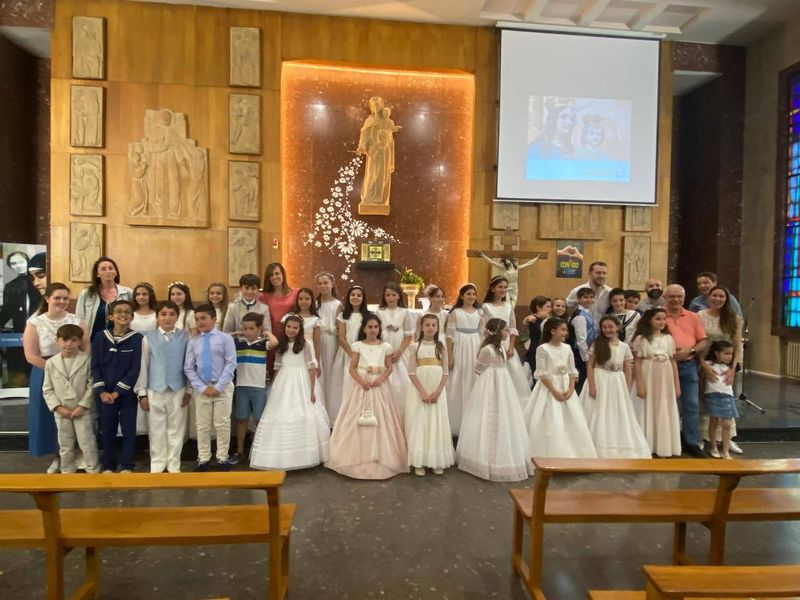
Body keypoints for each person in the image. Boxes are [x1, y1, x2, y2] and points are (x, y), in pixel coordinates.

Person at [327, 314, 408, 480]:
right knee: (356, 418)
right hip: (361, 385)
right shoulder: (357, 346)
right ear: (363, 329)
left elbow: (389, 368)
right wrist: (362, 381)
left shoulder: (386, 346)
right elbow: (352, 368)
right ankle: (356, 456)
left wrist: (380, 379)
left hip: (379, 386)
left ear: (379, 329)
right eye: (369, 327)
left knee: (382, 419)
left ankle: (380, 456)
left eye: (376, 327)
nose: (373, 330)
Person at [455, 318, 533, 482]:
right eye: (505, 330)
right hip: (489, 384)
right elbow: (478, 369)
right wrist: (491, 376)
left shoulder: (501, 349)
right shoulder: (488, 350)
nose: (507, 333)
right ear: (497, 332)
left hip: (504, 384)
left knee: (504, 414)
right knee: (487, 414)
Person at [249, 314, 330, 470]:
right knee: (279, 413)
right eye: (289, 327)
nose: (291, 330)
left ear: (300, 330)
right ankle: (279, 457)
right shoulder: (282, 345)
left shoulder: (306, 344)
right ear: (285, 328)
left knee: (303, 412)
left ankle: (304, 455)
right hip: (284, 382)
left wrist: (312, 391)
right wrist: (273, 387)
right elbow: (278, 366)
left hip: (302, 381)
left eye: (295, 327)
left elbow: (312, 368)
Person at [23, 283, 88, 471]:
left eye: (65, 298)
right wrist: (55, 369)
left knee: (75, 413)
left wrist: (76, 369)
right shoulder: (35, 322)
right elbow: (30, 354)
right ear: (47, 299)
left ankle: (77, 453)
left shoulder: (77, 321)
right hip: (44, 371)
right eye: (57, 298)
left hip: (74, 371)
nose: (61, 302)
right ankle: (56, 457)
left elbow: (86, 349)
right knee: (48, 416)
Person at [526, 318, 597, 459]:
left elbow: (572, 370)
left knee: (572, 418)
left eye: (566, 330)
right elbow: (542, 373)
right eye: (563, 329)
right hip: (549, 387)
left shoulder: (567, 348)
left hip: (566, 387)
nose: (566, 333)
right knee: (550, 417)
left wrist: (571, 389)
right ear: (552, 330)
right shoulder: (543, 348)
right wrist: (554, 391)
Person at [580, 315, 649, 458]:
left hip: (616, 382)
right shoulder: (597, 344)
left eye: (610, 327)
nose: (607, 330)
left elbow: (628, 368)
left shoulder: (624, 346)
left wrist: (627, 388)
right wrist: (592, 386)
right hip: (600, 379)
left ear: (618, 327)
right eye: (604, 327)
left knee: (615, 412)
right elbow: (590, 365)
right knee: (597, 410)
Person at [134, 301, 190, 473]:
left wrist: (189, 389)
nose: (168, 318)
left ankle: (174, 464)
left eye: (172, 314)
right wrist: (142, 393)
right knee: (156, 428)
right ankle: (157, 464)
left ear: (177, 316)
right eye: (163, 314)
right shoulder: (148, 338)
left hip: (178, 388)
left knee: (176, 427)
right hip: (155, 388)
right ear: (157, 317)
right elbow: (143, 365)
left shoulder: (185, 337)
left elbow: (189, 364)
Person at [91, 299, 143, 473]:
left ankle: (127, 465)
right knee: (107, 430)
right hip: (104, 395)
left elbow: (135, 368)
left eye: (127, 312)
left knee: (129, 430)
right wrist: (102, 391)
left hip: (126, 394)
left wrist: (118, 392)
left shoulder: (137, 339)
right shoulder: (100, 337)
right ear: (111, 316)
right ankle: (108, 465)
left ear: (132, 316)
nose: (123, 315)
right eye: (119, 312)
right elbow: (95, 366)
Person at [184, 304, 237, 471]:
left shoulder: (225, 338)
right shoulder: (193, 342)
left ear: (214, 319)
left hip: (222, 386)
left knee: (222, 424)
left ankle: (222, 457)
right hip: (203, 389)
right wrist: (201, 387)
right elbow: (189, 368)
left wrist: (219, 386)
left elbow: (231, 363)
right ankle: (204, 458)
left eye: (203, 318)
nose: (200, 322)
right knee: (203, 424)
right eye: (197, 319)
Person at [42, 324, 99, 473]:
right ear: (57, 341)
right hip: (62, 411)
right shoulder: (51, 363)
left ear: (80, 342)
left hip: (82, 410)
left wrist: (82, 406)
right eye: (65, 340)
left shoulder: (87, 360)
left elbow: (91, 385)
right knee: (65, 444)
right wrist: (58, 408)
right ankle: (67, 471)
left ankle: (93, 470)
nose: (69, 344)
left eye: (73, 340)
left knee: (87, 442)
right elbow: (47, 389)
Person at [697, 287, 744, 455]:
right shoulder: (700, 315)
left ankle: (727, 438)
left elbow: (737, 345)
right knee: (705, 398)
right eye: (714, 295)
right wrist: (702, 363)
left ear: (727, 298)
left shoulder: (734, 318)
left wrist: (732, 368)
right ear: (709, 297)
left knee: (726, 399)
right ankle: (702, 437)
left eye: (721, 296)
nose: (717, 299)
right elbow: (697, 340)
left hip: (726, 363)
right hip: (705, 361)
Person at [405, 314, 454, 477]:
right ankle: (419, 460)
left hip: (436, 388)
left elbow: (446, 372)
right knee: (420, 421)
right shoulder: (414, 346)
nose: (431, 328)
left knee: (436, 421)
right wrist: (422, 392)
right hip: (420, 388)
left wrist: (437, 391)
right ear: (422, 327)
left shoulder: (441, 348)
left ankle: (436, 460)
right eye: (428, 325)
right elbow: (411, 372)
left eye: (434, 325)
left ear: (438, 327)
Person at [662, 284, 707, 457]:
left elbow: (703, 341)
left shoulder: (693, 317)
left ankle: (691, 442)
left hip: (688, 365)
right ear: (665, 298)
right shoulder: (658, 316)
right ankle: (667, 442)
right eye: (672, 296)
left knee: (691, 405)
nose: (675, 299)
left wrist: (691, 351)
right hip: (665, 366)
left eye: (679, 296)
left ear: (684, 298)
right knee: (665, 405)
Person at [632, 308, 682, 458]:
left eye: (663, 319)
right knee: (648, 407)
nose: (661, 322)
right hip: (648, 375)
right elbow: (638, 363)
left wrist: (676, 384)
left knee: (663, 408)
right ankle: (647, 444)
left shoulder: (668, 339)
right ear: (649, 320)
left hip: (665, 378)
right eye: (657, 319)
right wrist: (640, 384)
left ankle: (663, 445)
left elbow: (673, 362)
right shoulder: (642, 339)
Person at [230, 312, 278, 464]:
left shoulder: (262, 343)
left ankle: (260, 449)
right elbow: (221, 337)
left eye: (251, 328)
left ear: (259, 328)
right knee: (241, 419)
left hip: (258, 387)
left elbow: (275, 343)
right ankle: (239, 450)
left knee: (259, 419)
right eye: (245, 328)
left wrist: (268, 332)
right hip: (241, 386)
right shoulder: (238, 343)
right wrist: (236, 333)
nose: (248, 332)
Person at [480, 276, 530, 403]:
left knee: (511, 371)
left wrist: (511, 346)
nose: (503, 290)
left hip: (506, 343)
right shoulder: (486, 307)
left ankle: (510, 401)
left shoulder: (508, 307)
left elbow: (513, 328)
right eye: (500, 287)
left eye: (505, 287)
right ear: (493, 289)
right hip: (492, 343)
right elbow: (483, 328)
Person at [445, 283, 484, 436]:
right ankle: (457, 419)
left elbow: (482, 334)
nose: (471, 297)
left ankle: (473, 417)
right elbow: (449, 336)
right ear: (461, 296)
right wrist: (449, 355)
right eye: (468, 294)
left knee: (472, 377)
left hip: (474, 344)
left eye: (474, 294)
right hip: (460, 345)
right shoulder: (455, 313)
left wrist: (481, 352)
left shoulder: (480, 313)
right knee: (458, 377)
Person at [329, 285, 370, 424]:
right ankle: (343, 417)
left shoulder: (368, 316)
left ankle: (360, 412)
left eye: (359, 295)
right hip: (347, 353)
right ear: (348, 297)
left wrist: (361, 353)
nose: (356, 297)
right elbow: (341, 337)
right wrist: (352, 354)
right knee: (345, 382)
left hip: (364, 353)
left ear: (363, 298)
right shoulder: (343, 316)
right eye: (353, 295)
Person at [0, 250, 39, 386]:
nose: (18, 266)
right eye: (13, 263)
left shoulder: (38, 282)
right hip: (19, 330)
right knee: (19, 363)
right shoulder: (10, 286)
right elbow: (6, 310)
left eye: (21, 262)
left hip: (39, 328)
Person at [377, 282, 413, 418]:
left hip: (401, 351)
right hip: (384, 350)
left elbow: (409, 335)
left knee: (402, 382)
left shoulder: (404, 312)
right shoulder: (380, 312)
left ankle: (401, 412)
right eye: (388, 295)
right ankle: (385, 411)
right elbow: (377, 333)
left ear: (399, 296)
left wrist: (399, 352)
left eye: (393, 295)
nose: (390, 298)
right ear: (384, 297)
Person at [76, 257, 133, 342]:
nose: (108, 271)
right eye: (103, 269)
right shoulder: (87, 294)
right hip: (93, 341)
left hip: (121, 341)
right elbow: (80, 319)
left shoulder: (128, 293)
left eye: (111, 268)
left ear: (116, 272)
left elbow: (133, 317)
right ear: (97, 274)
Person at [259, 262, 298, 376]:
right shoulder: (263, 297)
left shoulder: (295, 293)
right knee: (273, 371)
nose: (274, 277)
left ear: (283, 274)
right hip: (272, 338)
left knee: (288, 371)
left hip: (290, 337)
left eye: (277, 273)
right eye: (271, 275)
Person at [703, 340, 739, 459]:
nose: (730, 357)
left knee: (727, 424)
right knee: (713, 422)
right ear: (717, 353)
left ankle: (726, 450)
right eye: (727, 354)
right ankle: (713, 447)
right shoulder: (708, 364)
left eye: (731, 354)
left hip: (727, 395)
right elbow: (702, 378)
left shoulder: (731, 367)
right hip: (713, 395)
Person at [315, 272, 342, 418]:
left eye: (326, 283)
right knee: (320, 374)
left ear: (332, 284)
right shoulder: (314, 304)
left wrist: (338, 349)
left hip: (331, 342)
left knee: (331, 375)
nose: (323, 286)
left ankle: (331, 413)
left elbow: (339, 328)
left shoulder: (337, 305)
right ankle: (320, 410)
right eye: (320, 283)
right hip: (317, 342)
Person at [475, 252, 541, 307]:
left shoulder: (516, 268)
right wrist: (483, 255)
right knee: (507, 304)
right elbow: (492, 262)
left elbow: (528, 263)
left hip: (515, 287)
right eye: (506, 260)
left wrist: (537, 258)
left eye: (508, 260)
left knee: (513, 305)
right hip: (507, 287)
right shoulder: (503, 268)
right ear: (504, 262)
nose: (508, 261)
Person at [569, 287, 596, 393]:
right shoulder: (580, 316)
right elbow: (581, 340)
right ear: (579, 299)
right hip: (579, 354)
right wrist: (586, 358)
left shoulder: (587, 313)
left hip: (584, 352)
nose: (589, 300)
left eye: (591, 297)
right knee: (581, 381)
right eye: (585, 297)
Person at [522, 296, 551, 380]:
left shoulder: (547, 319)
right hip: (535, 350)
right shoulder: (533, 318)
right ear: (538, 307)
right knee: (537, 376)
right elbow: (526, 321)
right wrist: (528, 318)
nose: (550, 309)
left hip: (546, 350)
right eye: (547, 307)